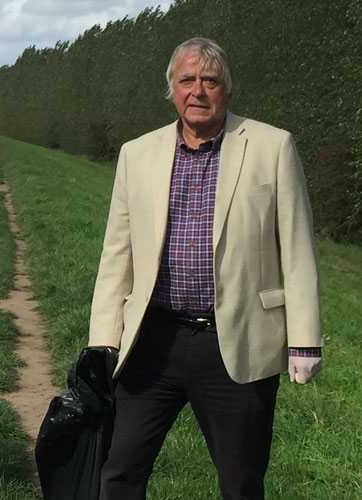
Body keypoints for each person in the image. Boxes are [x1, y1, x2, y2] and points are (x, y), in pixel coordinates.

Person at [88, 37, 323, 500]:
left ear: (227, 90)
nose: (198, 90)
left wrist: (305, 339)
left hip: (236, 342)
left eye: (210, 80)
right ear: (172, 91)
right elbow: (117, 254)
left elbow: (298, 249)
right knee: (119, 472)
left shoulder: (272, 147)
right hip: (152, 341)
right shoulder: (137, 154)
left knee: (240, 481)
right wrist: (102, 339)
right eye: (187, 80)